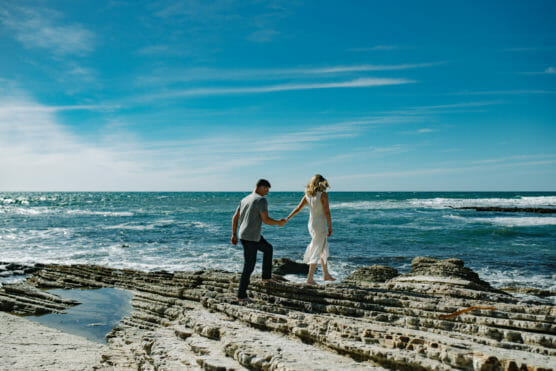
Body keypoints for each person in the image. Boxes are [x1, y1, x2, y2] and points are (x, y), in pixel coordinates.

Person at [231, 179, 286, 302]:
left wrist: (234, 234)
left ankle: (266, 277)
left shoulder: (245, 199)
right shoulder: (261, 200)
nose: (267, 192)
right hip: (250, 238)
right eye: (266, 189)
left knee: (268, 248)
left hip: (245, 235)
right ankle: (241, 296)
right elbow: (266, 220)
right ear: (260, 187)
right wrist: (278, 223)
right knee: (249, 267)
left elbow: (235, 217)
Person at [286, 174, 335, 285]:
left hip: (312, 224)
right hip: (320, 224)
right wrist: (330, 227)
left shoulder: (308, 195)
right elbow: (327, 212)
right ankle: (310, 278)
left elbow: (298, 208)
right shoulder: (323, 195)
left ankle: (326, 275)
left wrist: (288, 218)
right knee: (318, 249)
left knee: (322, 248)